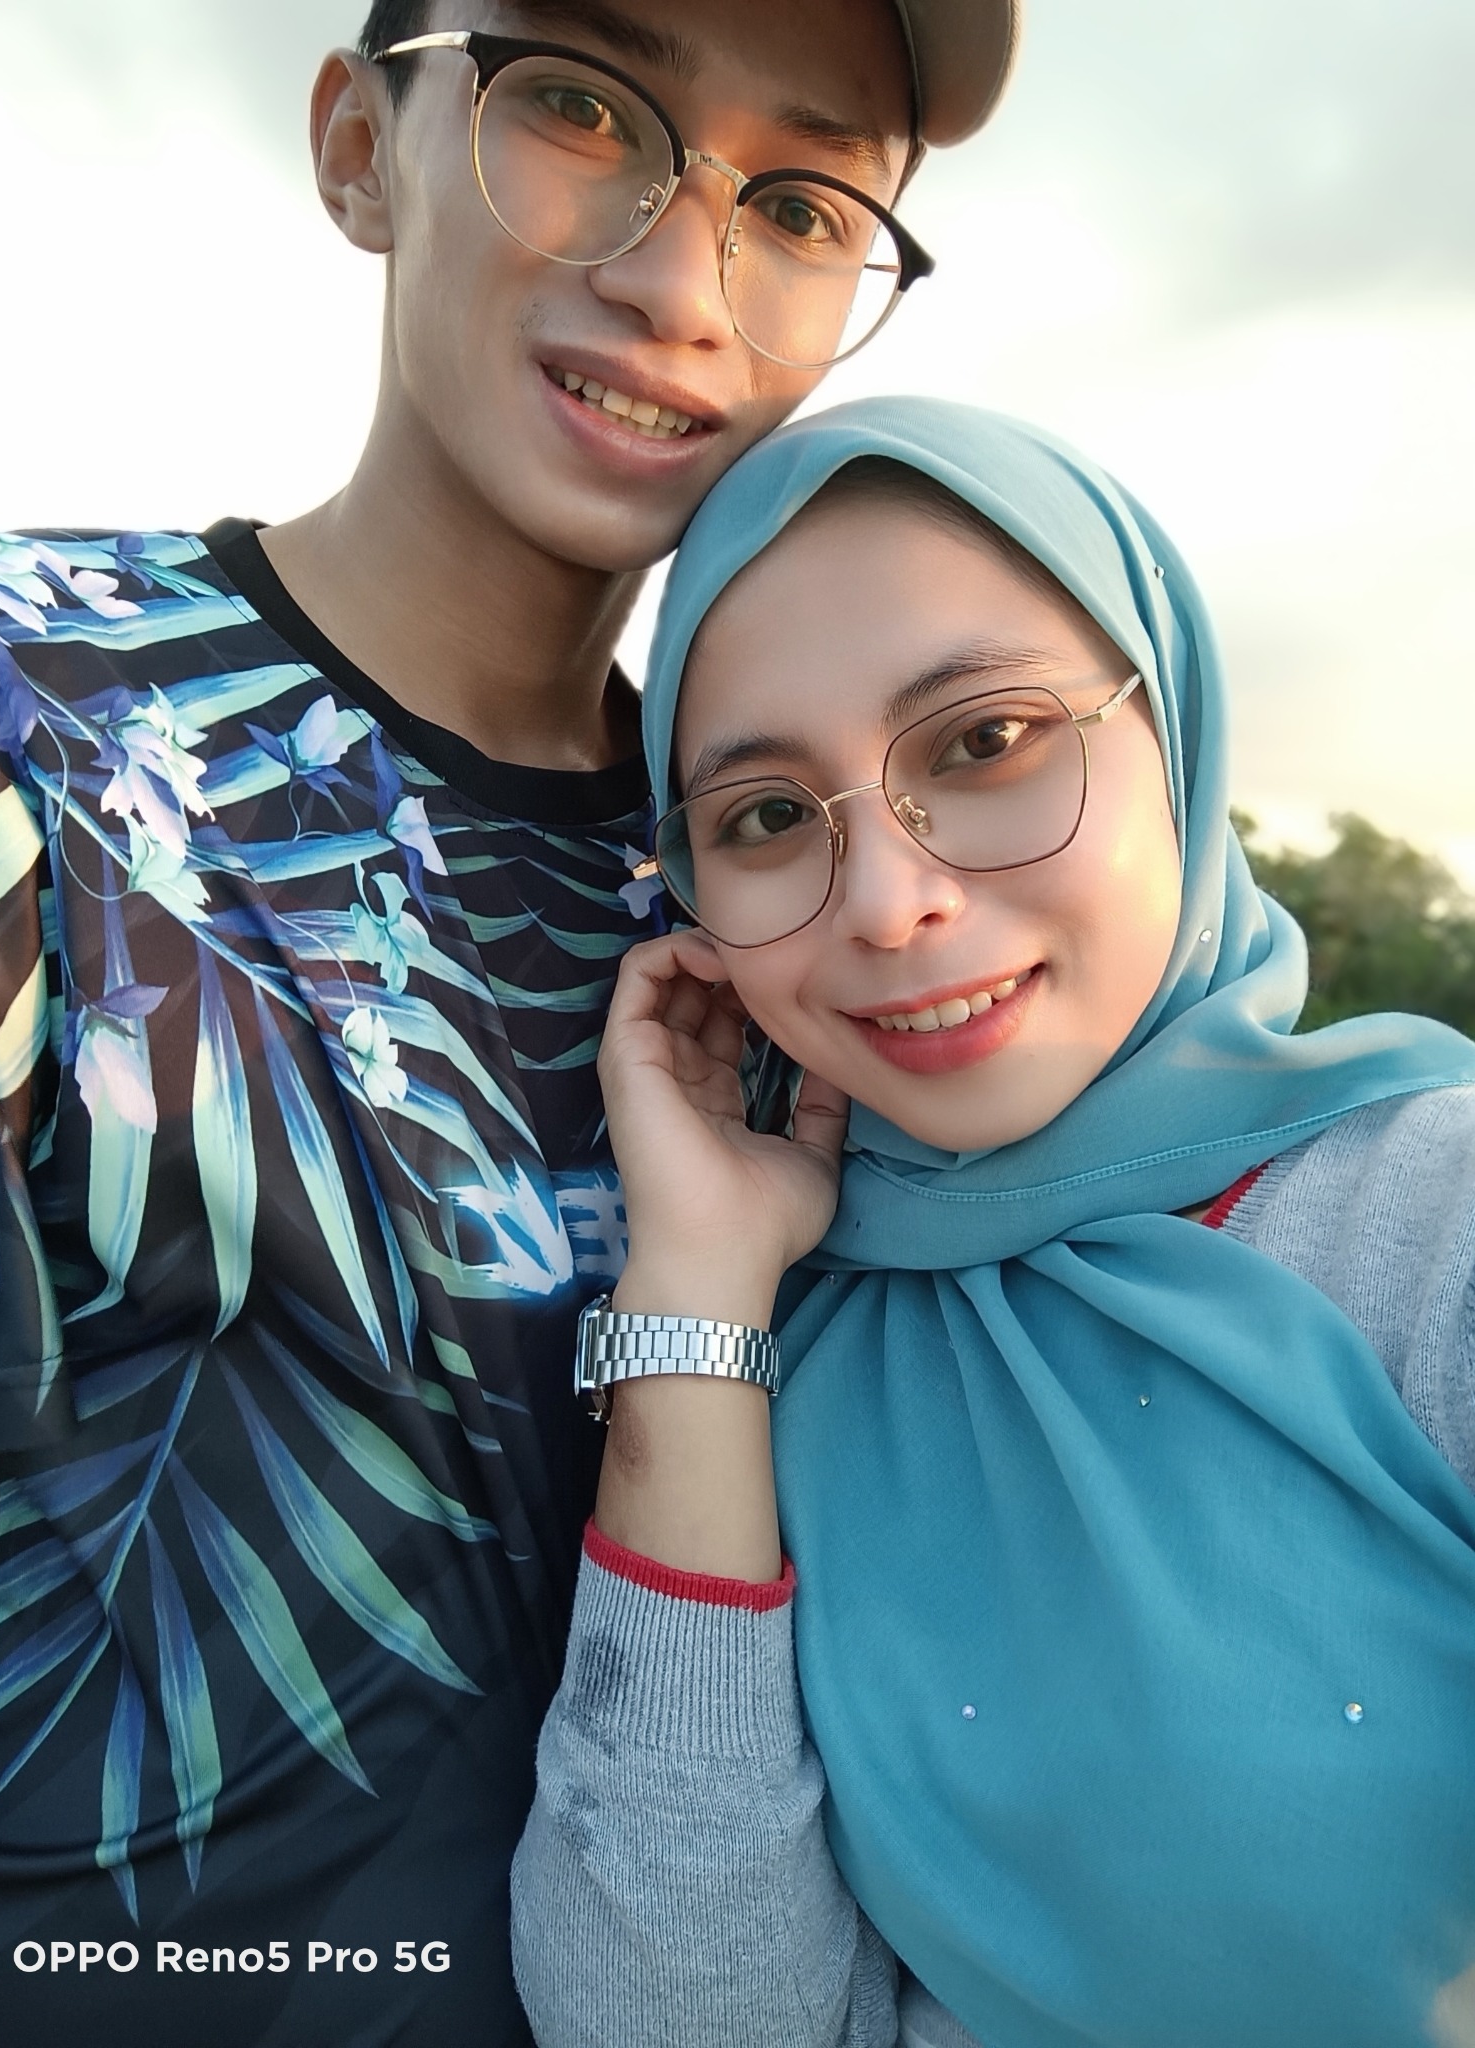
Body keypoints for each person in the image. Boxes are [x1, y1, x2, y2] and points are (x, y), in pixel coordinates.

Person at [0, 7, 1021, 2041]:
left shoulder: (828, 909)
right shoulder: (8, 731)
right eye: (582, 107)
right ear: (364, 146)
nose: (682, 283)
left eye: (802, 205)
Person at [511, 398, 1475, 2048]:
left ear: (1170, 725)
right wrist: (700, 1292)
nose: (891, 905)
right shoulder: (787, 1356)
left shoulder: (1433, 1220)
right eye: (766, 817)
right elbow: (665, 2020)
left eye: (983, 741)